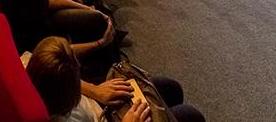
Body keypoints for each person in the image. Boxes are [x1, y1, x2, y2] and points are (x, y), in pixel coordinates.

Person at [25, 36, 205, 122]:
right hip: (111, 117)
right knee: (191, 115)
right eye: (76, 72)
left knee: (171, 88)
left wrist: (95, 90)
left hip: (101, 102)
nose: (79, 67)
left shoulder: (31, 75)